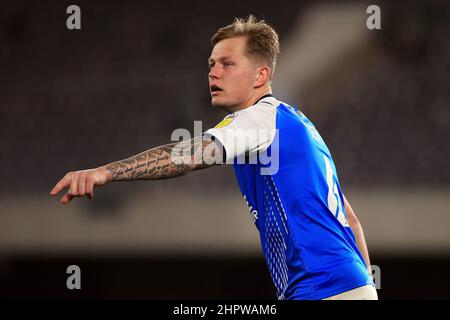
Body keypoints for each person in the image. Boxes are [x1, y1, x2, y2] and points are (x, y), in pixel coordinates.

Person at [50, 15, 377, 300]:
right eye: (211, 64)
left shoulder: (258, 119)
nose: (213, 73)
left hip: (322, 289)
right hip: (344, 285)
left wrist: (105, 173)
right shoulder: (297, 123)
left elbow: (186, 156)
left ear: (261, 77)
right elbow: (350, 219)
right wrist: (365, 287)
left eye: (227, 64)